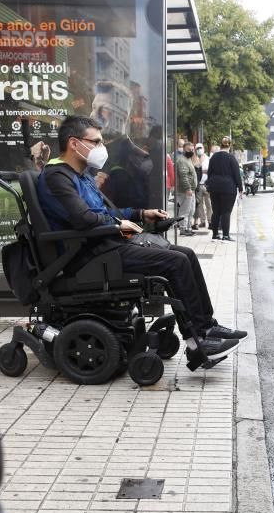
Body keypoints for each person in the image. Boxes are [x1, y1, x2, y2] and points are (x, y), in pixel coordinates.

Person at [36, 116, 247, 364]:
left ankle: (207, 326)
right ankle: (197, 340)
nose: (101, 147)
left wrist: (139, 214)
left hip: (106, 245)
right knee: (175, 263)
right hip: (89, 255)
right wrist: (117, 225)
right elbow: (84, 219)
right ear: (74, 143)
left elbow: (103, 213)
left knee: (186, 255)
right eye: (96, 141)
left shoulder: (79, 175)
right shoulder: (56, 177)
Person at [205, 137, 243, 241]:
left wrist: (209, 185)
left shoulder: (213, 158)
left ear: (220, 145)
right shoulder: (231, 158)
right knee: (226, 212)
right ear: (229, 146)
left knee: (216, 211)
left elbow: (209, 173)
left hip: (214, 187)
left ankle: (215, 234)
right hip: (228, 188)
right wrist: (240, 188)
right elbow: (236, 174)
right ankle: (226, 235)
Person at [174, 141, 198, 236]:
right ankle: (183, 229)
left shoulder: (188, 159)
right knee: (185, 210)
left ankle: (188, 228)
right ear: (184, 149)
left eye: (192, 150)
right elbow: (184, 176)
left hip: (191, 190)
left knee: (191, 210)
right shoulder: (182, 160)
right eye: (189, 149)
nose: (191, 151)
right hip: (185, 190)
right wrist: (188, 188)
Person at [194, 143, 212, 229]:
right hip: (199, 185)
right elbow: (196, 170)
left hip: (207, 185)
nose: (199, 149)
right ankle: (203, 221)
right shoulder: (195, 159)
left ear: (203, 148)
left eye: (200, 148)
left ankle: (210, 221)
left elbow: (210, 171)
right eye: (197, 148)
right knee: (200, 205)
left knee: (209, 204)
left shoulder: (208, 159)